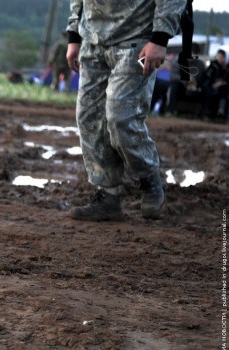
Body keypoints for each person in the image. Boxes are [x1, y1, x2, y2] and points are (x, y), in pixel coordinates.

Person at [65, 0, 186, 221]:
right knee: (89, 118)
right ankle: (108, 195)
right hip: (93, 40)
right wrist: (74, 35)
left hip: (137, 41)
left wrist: (160, 37)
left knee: (120, 116)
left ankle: (149, 178)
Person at [202, 49, 229, 120]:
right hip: (210, 86)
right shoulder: (213, 65)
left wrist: (222, 82)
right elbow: (207, 77)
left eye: (222, 57)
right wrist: (213, 83)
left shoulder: (227, 68)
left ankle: (221, 112)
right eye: (219, 57)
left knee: (224, 90)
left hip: (223, 87)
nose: (220, 59)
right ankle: (208, 114)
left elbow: (226, 80)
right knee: (209, 92)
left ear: (224, 58)